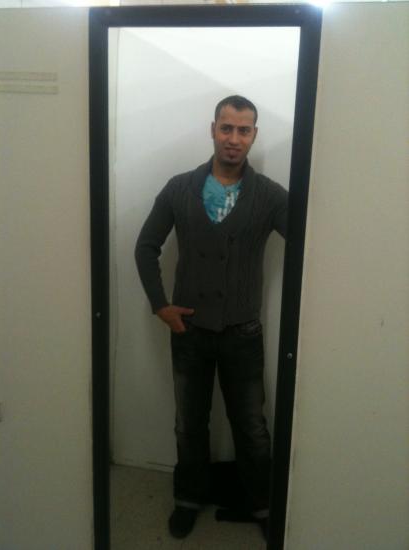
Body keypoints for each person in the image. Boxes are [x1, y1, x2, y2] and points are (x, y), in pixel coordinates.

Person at [135, 95, 288, 540]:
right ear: (213, 130)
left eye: (243, 130)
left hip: (243, 332)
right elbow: (145, 247)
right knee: (189, 423)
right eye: (226, 128)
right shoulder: (179, 187)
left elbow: (311, 239)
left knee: (252, 427)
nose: (233, 138)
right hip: (189, 331)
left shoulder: (270, 195)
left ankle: (263, 504)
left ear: (254, 136)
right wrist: (160, 305)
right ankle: (188, 499)